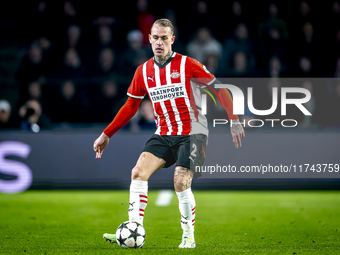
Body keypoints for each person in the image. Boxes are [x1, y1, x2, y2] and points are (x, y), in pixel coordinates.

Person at [93, 18, 245, 248]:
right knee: (137, 173)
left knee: (181, 182)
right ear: (150, 39)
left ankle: (188, 236)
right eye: (155, 37)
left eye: (164, 38)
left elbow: (220, 90)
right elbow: (130, 107)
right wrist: (106, 134)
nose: (159, 42)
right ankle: (134, 229)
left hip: (193, 132)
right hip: (164, 132)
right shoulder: (143, 71)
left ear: (172, 39)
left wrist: (234, 119)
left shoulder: (187, 64)